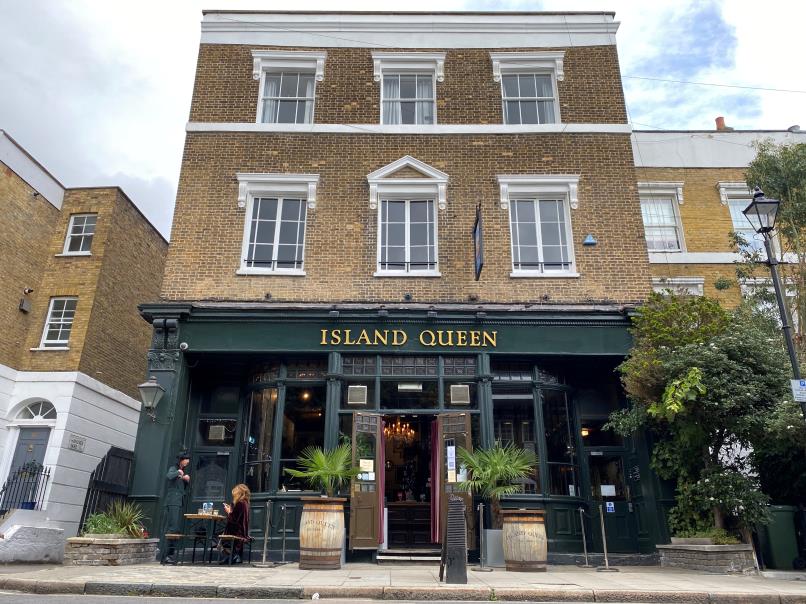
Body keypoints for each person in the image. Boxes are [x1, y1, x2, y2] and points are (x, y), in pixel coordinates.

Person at [162, 452, 191, 565]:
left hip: (178, 502)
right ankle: (166, 556)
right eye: (186, 460)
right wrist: (178, 472)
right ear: (181, 460)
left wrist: (186, 480)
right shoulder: (174, 468)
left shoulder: (181, 470)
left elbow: (180, 487)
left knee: (175, 528)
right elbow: (169, 476)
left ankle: (170, 555)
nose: (187, 462)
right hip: (173, 502)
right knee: (172, 528)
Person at [220, 483, 250, 564]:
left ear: (239, 493)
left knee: (215, 537)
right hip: (241, 530)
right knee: (219, 535)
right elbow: (237, 516)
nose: (233, 496)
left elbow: (233, 520)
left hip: (236, 531)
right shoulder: (245, 503)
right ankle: (231, 556)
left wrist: (228, 511)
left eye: (235, 494)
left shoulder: (240, 503)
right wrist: (231, 509)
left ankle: (231, 555)